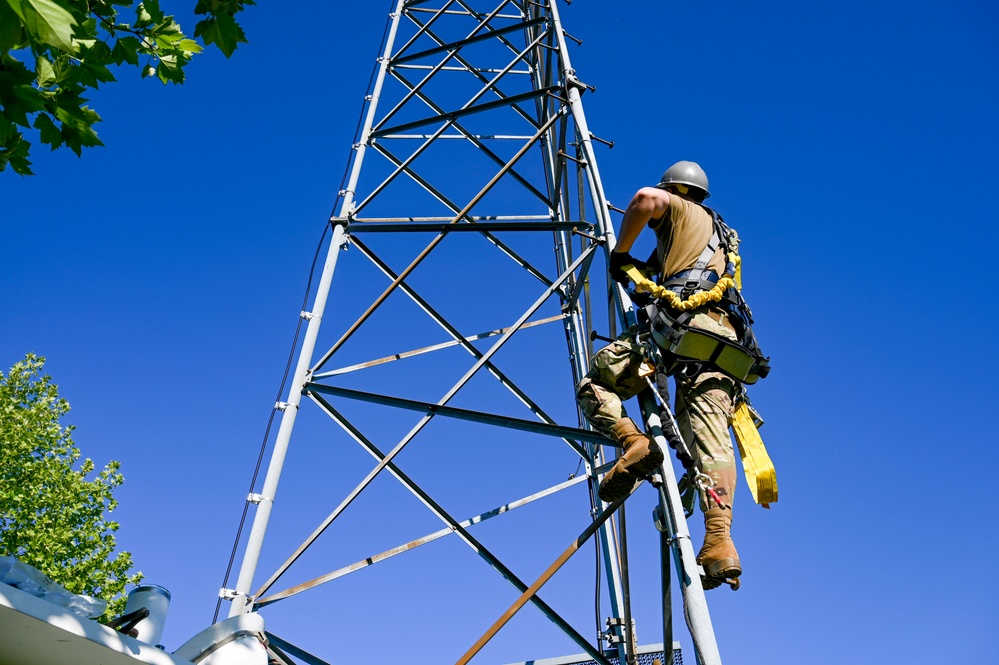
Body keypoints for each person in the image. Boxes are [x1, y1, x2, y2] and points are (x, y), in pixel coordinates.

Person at [576, 160, 745, 590]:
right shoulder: (724, 236)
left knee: (594, 382)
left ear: (675, 190)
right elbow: (664, 269)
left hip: (678, 334)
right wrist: (641, 271)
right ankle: (720, 542)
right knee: (712, 445)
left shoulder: (679, 211)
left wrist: (618, 254)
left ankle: (634, 443)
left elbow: (644, 201)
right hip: (723, 349)